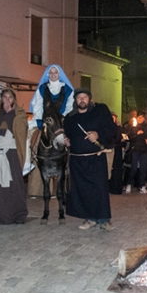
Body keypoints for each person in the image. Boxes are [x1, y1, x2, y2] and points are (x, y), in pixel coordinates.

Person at [63, 88, 115, 231]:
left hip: (95, 159)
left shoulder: (100, 112)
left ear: (90, 99)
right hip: (77, 161)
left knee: (99, 189)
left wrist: (98, 134)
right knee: (83, 191)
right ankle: (90, 218)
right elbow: (68, 136)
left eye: (84, 97)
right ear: (75, 101)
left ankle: (104, 219)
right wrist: (66, 141)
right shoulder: (70, 118)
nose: (82, 100)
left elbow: (111, 129)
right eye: (79, 98)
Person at [0, 88, 29, 224]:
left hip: (11, 154)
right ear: (1, 99)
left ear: (14, 100)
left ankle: (16, 215)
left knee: (14, 185)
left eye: (10, 97)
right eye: (5, 97)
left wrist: (10, 116)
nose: (7, 100)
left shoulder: (19, 115)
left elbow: (20, 131)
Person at [24, 65, 74, 179]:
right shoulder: (42, 88)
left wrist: (62, 117)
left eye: (55, 72)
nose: (53, 74)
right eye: (51, 72)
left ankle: (69, 165)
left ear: (59, 74)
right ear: (47, 74)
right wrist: (42, 119)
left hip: (61, 120)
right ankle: (27, 162)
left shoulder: (67, 89)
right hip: (45, 119)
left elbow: (70, 106)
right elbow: (37, 105)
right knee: (27, 133)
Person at [125, 111, 147, 194]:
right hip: (135, 150)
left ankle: (142, 186)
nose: (140, 119)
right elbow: (129, 137)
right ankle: (129, 184)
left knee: (143, 169)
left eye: (142, 117)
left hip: (144, 150)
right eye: (139, 117)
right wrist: (137, 134)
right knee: (133, 168)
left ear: (144, 118)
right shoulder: (134, 126)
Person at [108, 112, 125, 195]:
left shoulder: (118, 128)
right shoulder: (109, 128)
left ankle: (116, 188)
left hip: (117, 149)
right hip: (111, 149)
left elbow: (120, 138)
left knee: (117, 169)